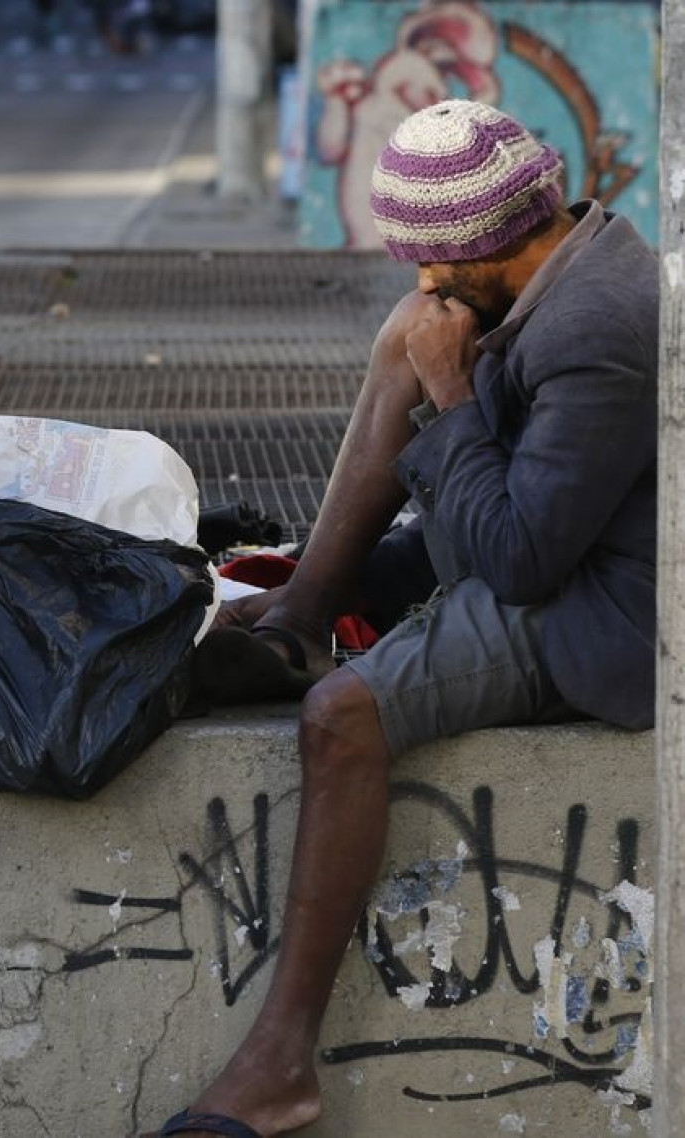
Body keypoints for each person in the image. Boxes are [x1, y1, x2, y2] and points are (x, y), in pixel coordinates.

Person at [156, 100, 657, 1138]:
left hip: (598, 611)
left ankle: (277, 1061)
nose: (421, 283)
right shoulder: (560, 269)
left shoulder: (594, 328)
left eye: (429, 264)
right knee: (404, 347)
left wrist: (450, 392)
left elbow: (514, 564)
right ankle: (297, 609)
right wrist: (425, 369)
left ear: (481, 247)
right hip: (537, 537)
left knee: (340, 714)